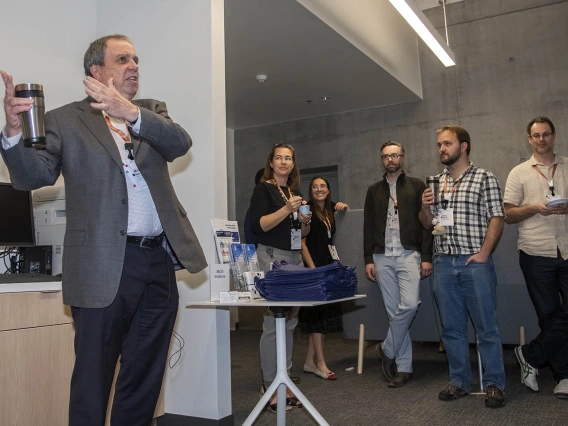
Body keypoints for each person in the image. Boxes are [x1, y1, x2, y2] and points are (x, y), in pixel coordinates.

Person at [0, 34, 206, 426]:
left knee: (144, 377)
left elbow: (180, 143)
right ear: (96, 71)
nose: (134, 66)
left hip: (158, 262)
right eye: (123, 59)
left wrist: (128, 112)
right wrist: (12, 135)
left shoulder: (150, 111)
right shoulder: (64, 119)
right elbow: (33, 178)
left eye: (136, 59)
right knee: (93, 379)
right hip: (101, 266)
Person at [419, 125, 506, 408]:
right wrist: (425, 208)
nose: (441, 149)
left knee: (486, 328)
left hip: (474, 263)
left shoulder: (484, 177)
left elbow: (497, 217)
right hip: (443, 263)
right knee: (451, 329)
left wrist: (484, 253)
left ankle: (493, 383)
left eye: (447, 143)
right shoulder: (434, 181)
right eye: (439, 145)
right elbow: (427, 223)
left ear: (464, 146)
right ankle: (459, 381)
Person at [504, 116, 568, 399]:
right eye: (536, 135)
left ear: (553, 136)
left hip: (567, 248)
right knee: (549, 315)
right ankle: (564, 376)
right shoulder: (518, 172)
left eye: (546, 134)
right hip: (535, 251)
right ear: (529, 139)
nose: (541, 140)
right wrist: (535, 207)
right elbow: (507, 214)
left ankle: (530, 354)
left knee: (560, 316)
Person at [363, 141, 433, 388]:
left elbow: (427, 223)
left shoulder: (416, 186)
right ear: (382, 160)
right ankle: (404, 368)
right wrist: (368, 259)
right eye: (386, 156)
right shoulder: (374, 190)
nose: (390, 159)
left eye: (394, 155)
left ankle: (385, 348)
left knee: (410, 305)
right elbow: (368, 227)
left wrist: (426, 256)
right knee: (394, 313)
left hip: (408, 254)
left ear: (402, 157)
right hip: (382, 256)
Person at [248, 143, 312, 411]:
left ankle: (283, 383)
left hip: (295, 257)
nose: (284, 162)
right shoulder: (264, 189)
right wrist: (287, 209)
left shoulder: (292, 191)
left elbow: (303, 234)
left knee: (289, 324)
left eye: (289, 158)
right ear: (271, 163)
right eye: (279, 158)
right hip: (272, 257)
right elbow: (258, 225)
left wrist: (306, 220)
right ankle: (270, 385)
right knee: (273, 323)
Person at [299, 176, 349, 381]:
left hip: (328, 264)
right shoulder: (306, 210)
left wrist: (342, 207)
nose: (319, 189)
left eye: (323, 186)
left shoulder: (330, 209)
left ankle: (310, 361)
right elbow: (302, 242)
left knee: (321, 315)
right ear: (310, 191)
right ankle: (320, 363)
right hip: (313, 266)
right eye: (315, 187)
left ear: (328, 190)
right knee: (317, 317)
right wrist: (312, 269)